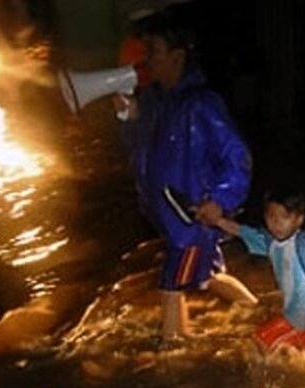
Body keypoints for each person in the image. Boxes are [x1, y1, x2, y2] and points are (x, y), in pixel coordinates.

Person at [116, 9, 257, 345]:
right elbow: (140, 152)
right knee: (208, 276)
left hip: (193, 219)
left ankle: (171, 354)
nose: (147, 60)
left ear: (178, 57)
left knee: (171, 283)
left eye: (155, 52)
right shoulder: (155, 101)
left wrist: (220, 200)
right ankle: (256, 311)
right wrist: (128, 118)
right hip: (172, 216)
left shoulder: (202, 104)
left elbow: (238, 158)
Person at [215, 189, 305, 354]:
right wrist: (217, 220)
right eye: (271, 217)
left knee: (258, 343)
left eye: (284, 217)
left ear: (299, 220)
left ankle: (264, 379)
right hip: (304, 318)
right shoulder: (271, 243)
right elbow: (241, 231)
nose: (277, 223)